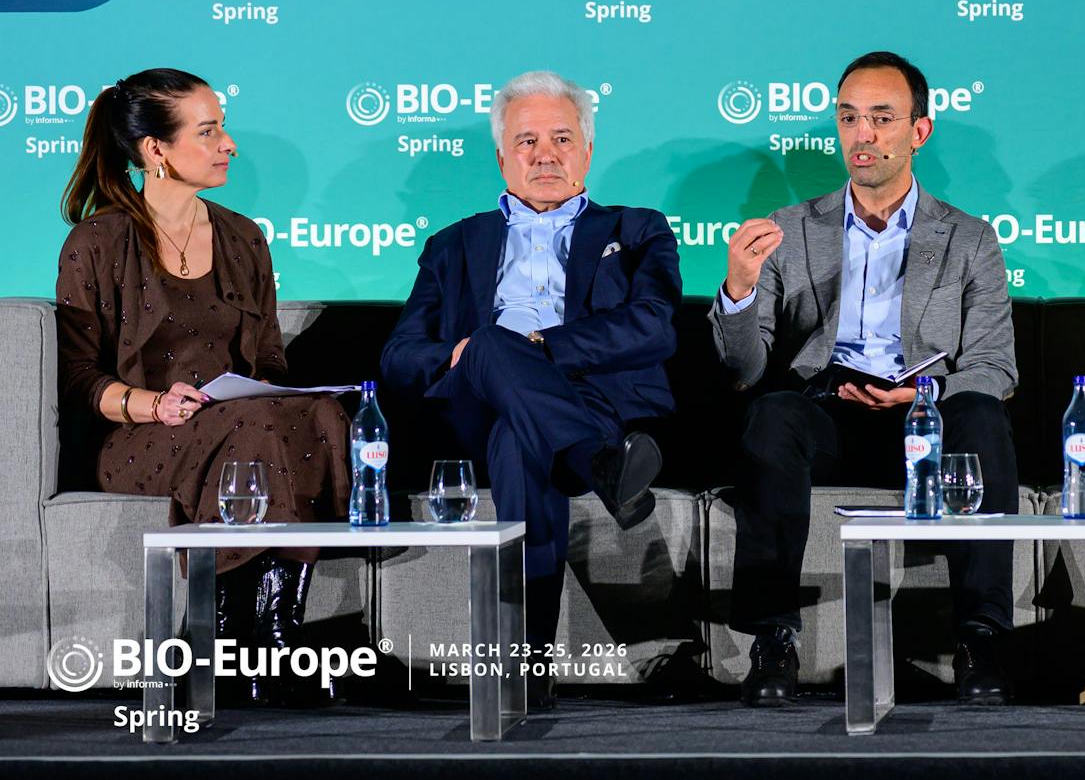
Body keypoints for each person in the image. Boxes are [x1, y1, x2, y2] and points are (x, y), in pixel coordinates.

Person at [716, 51, 1019, 706]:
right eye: (850, 117)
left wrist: (923, 393)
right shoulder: (790, 230)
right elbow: (744, 368)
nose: (863, 134)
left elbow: (995, 366)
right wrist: (739, 289)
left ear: (919, 131)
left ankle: (982, 638)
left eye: (882, 118)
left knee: (981, 412)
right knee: (772, 412)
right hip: (829, 413)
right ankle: (772, 639)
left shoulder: (970, 238)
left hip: (928, 420)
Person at [380, 70, 677, 708]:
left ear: (588, 152)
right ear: (501, 158)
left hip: (588, 398)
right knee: (491, 342)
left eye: (562, 139)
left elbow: (654, 326)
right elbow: (400, 356)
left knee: (519, 441)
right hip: (477, 397)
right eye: (527, 141)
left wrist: (541, 347)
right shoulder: (454, 244)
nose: (546, 155)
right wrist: (463, 354)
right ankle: (599, 464)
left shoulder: (638, 230)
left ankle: (524, 665)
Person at [55, 68, 351, 706]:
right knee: (256, 427)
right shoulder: (96, 243)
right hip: (138, 438)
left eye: (224, 129)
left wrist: (256, 388)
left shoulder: (244, 237)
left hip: (238, 428)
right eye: (209, 131)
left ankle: (268, 632)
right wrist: (155, 404)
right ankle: (243, 639)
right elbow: (78, 379)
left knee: (321, 413)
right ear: (155, 149)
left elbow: (268, 358)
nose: (229, 145)